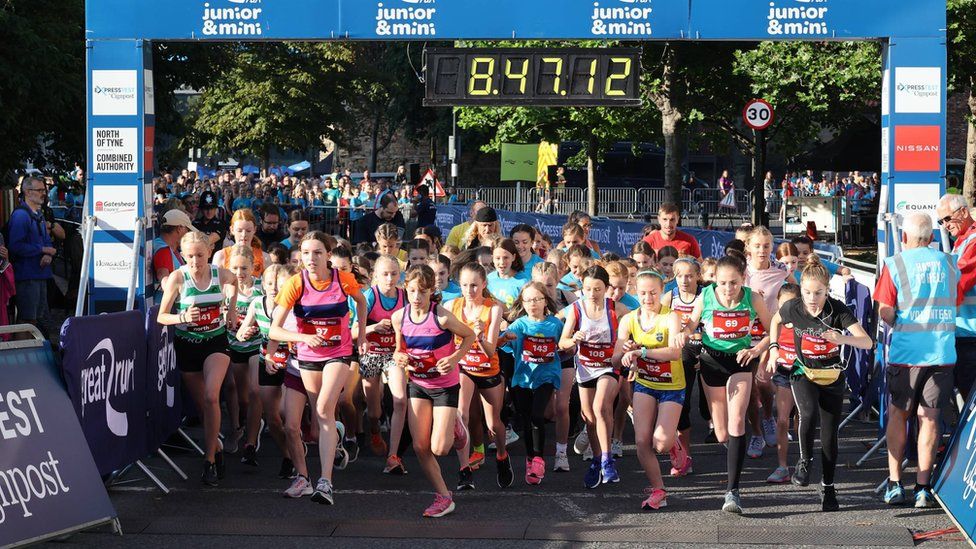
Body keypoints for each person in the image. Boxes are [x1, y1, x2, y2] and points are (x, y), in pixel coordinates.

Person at [764, 254, 872, 511]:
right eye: (808, 292)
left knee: (829, 437)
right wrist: (774, 348)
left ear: (827, 291)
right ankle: (804, 462)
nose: (812, 299)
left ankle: (829, 488)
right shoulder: (794, 308)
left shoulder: (838, 311)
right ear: (801, 290)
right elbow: (776, 321)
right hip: (804, 372)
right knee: (808, 412)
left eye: (818, 293)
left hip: (832, 377)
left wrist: (841, 338)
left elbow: (867, 342)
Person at [269, 231, 368, 505]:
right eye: (306, 253)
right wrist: (303, 338)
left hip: (339, 353)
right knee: (316, 424)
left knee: (324, 408)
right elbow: (275, 329)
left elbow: (361, 301)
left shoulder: (342, 279)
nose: (311, 258)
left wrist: (362, 332)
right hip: (308, 355)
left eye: (317, 253)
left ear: (328, 255)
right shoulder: (295, 283)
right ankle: (330, 439)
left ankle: (325, 482)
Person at [873, 212, 958, 508]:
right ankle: (923, 487)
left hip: (907, 355)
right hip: (942, 354)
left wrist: (899, 320)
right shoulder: (949, 264)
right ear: (932, 238)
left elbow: (885, 310)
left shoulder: (896, 264)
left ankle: (895, 484)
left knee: (899, 415)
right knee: (931, 419)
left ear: (905, 238)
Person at [675, 254, 771, 514]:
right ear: (714, 280)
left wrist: (756, 349)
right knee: (721, 433)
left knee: (737, 421)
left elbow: (774, 329)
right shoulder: (705, 297)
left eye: (734, 283)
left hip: (740, 362)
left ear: (743, 280)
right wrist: (680, 335)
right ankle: (733, 453)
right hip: (711, 361)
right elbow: (691, 326)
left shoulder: (753, 298)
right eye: (724, 283)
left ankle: (733, 491)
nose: (729, 289)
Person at [391, 265, 475, 518]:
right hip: (418, 384)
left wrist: (455, 357)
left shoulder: (442, 317)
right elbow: (399, 349)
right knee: (420, 446)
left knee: (440, 448)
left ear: (431, 292)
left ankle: (457, 427)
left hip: (444, 386)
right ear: (406, 289)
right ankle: (444, 496)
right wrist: (400, 356)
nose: (417, 297)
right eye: (413, 291)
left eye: (423, 292)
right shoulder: (399, 317)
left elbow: (469, 336)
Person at [156, 231, 238, 485]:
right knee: (204, 407)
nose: (195, 261)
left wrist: (231, 311)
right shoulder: (178, 278)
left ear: (209, 254)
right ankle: (219, 450)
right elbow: (161, 316)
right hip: (187, 345)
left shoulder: (219, 274)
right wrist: (182, 318)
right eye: (189, 256)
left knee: (212, 396)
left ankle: (209, 459)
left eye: (200, 255)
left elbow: (234, 282)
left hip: (215, 342)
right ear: (182, 255)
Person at [613, 270, 684, 509]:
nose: (648, 298)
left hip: (672, 386)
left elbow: (675, 353)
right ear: (636, 291)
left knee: (661, 444)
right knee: (642, 440)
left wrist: (641, 352)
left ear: (661, 292)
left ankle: (673, 442)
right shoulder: (629, 319)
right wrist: (625, 353)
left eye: (653, 292)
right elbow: (614, 359)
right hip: (645, 383)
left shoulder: (670, 317)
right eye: (642, 293)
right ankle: (658, 490)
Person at [560, 265, 630, 489]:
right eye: (588, 289)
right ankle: (598, 460)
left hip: (608, 367)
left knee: (601, 407)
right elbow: (563, 342)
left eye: (597, 289)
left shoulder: (618, 309)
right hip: (585, 368)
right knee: (589, 418)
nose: (592, 294)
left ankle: (608, 459)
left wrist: (628, 346)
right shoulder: (576, 309)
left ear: (606, 288)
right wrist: (573, 340)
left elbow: (636, 329)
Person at [449, 262, 514, 488]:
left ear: (484, 284)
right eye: (465, 285)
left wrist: (477, 335)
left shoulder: (493, 309)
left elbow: (490, 350)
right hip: (464, 367)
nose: (469, 291)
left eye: (474, 285)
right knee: (462, 414)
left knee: (493, 423)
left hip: (488, 369)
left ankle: (502, 456)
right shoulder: (452, 306)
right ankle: (464, 469)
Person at [500, 281, 564, 485]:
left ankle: (538, 458)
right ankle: (531, 459)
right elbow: (503, 342)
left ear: (546, 301)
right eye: (528, 300)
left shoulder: (555, 324)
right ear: (522, 303)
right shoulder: (519, 325)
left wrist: (569, 347)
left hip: (547, 376)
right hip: (523, 378)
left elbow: (565, 347)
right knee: (527, 419)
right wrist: (504, 336)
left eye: (537, 299)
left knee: (538, 414)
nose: (532, 303)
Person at [235, 264, 295, 478]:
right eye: (269, 284)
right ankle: (288, 456)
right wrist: (246, 332)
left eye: (278, 285)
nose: (273, 289)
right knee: (272, 418)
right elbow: (241, 334)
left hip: (291, 363)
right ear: (262, 284)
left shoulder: (293, 306)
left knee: (287, 415)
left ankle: (296, 453)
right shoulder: (257, 304)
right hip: (266, 361)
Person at [660, 257, 703, 477]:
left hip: (707, 352)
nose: (684, 280)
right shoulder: (669, 297)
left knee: (707, 411)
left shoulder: (705, 295)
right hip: (682, 354)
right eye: (679, 276)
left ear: (698, 275)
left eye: (689, 275)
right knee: (682, 405)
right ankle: (684, 457)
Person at [936, 193, 976, 399]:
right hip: (964, 331)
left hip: (970, 335)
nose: (944, 225)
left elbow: (957, 285)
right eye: (940, 221)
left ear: (964, 212)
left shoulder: (973, 242)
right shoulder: (962, 242)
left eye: (947, 219)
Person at [9, 177, 54, 335]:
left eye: (44, 190)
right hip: (27, 276)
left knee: (35, 320)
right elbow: (15, 246)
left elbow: (47, 242)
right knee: (27, 321)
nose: (44, 193)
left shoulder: (38, 214)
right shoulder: (21, 216)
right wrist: (42, 250)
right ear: (28, 192)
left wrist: (48, 254)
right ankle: (21, 355)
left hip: (38, 274)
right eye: (40, 190)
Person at [152, 209, 197, 303]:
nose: (188, 234)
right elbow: (164, 280)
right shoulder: (164, 250)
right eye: (187, 230)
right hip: (166, 308)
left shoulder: (166, 247)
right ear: (179, 229)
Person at [212, 209, 271, 277]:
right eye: (239, 231)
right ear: (232, 230)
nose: (244, 235)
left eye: (248, 231)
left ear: (254, 230)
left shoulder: (264, 258)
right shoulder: (221, 256)